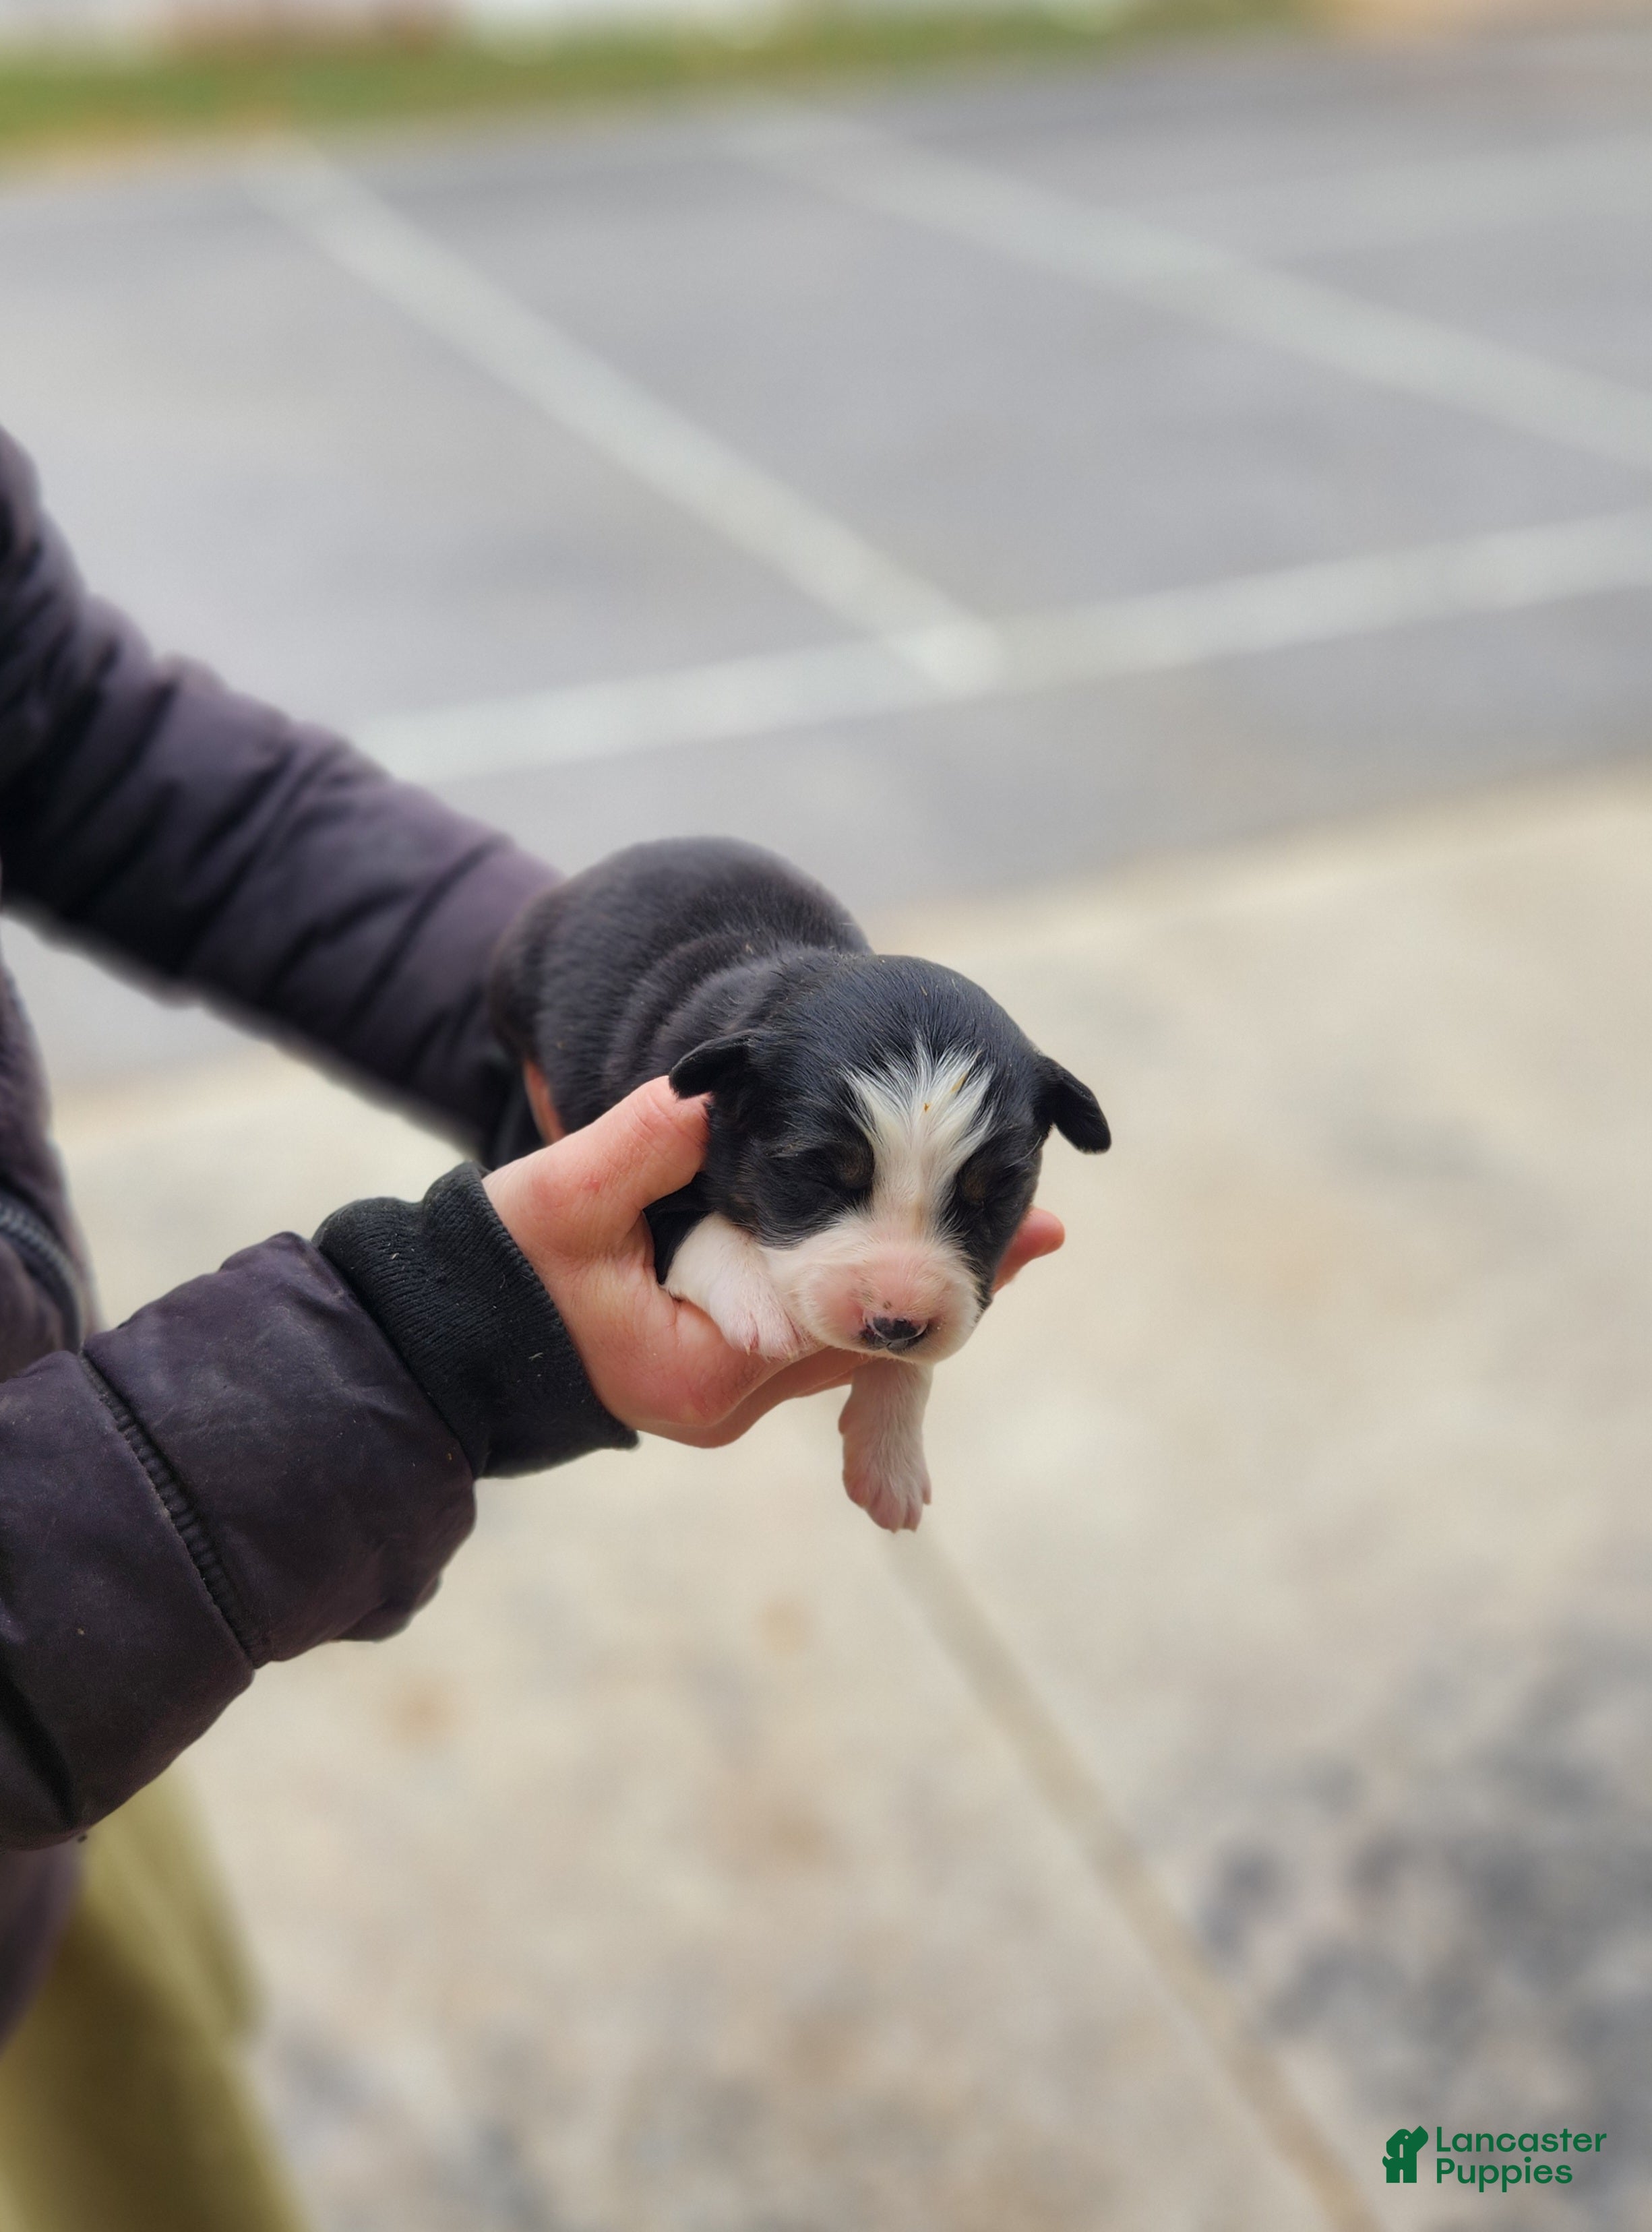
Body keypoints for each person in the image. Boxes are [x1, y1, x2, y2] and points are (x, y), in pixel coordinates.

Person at [0, 427, 1061, 2229]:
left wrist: (597, 1019)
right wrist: (426, 1344)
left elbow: (97, 749)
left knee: (152, 2095)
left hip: (77, 1733)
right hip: (61, 1651)